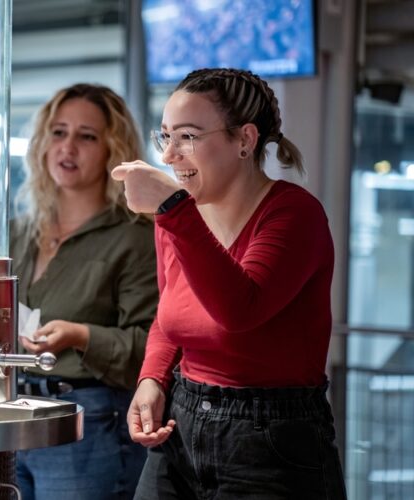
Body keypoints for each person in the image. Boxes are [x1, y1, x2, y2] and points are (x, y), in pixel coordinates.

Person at [111, 68, 347, 499]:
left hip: (270, 436)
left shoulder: (294, 214)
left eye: (188, 136)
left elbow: (239, 310)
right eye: (166, 137)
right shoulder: (178, 218)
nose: (169, 156)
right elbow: (170, 314)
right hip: (182, 421)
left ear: (245, 140)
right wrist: (152, 380)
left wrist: (172, 209)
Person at [10, 83, 159, 500]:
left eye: (87, 136)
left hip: (86, 424)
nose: (68, 146)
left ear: (113, 150)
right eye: (58, 132)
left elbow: (152, 348)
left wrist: (81, 335)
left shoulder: (136, 237)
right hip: (9, 417)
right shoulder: (17, 231)